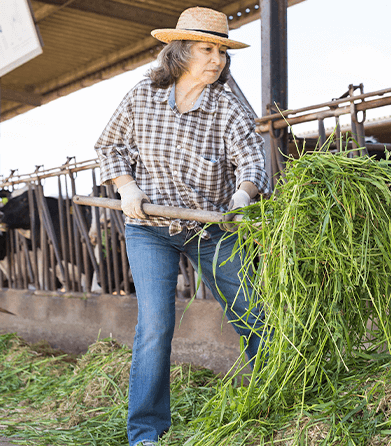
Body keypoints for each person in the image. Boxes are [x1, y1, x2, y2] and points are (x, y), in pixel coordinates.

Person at [94, 6, 270, 446]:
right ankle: (146, 432)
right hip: (149, 227)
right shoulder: (142, 96)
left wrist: (242, 196)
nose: (216, 59)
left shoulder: (226, 108)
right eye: (206, 49)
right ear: (179, 52)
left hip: (211, 230)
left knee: (254, 315)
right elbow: (110, 145)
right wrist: (127, 189)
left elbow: (252, 159)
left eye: (222, 52)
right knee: (155, 325)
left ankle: (280, 403)